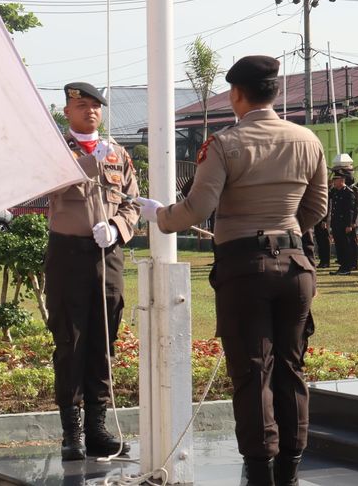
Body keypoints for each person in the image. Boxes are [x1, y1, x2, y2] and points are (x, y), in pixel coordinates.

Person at [136, 55, 326, 486]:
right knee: (291, 369)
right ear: (274, 92)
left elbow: (198, 208)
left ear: (237, 94)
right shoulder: (307, 140)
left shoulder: (224, 143)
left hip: (244, 268)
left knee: (253, 371)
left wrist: (159, 215)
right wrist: (286, 230)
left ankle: (259, 471)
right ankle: (290, 472)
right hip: (295, 265)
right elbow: (315, 210)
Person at [42, 82, 139, 461]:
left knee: (103, 340)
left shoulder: (118, 154)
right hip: (68, 254)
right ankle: (73, 433)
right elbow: (49, 185)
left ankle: (98, 428)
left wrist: (117, 227)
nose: (90, 112)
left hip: (106, 255)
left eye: (96, 106)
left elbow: (131, 201)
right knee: (71, 340)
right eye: (81, 106)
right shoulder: (55, 150)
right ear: (67, 111)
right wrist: (88, 161)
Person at [329, 171, 358, 275]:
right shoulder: (335, 191)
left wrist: (349, 224)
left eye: (335, 180)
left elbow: (350, 210)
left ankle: (346, 267)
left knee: (345, 246)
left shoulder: (348, 192)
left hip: (344, 224)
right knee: (339, 246)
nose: (334, 182)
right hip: (336, 223)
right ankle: (342, 266)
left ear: (342, 180)